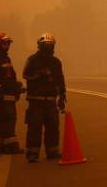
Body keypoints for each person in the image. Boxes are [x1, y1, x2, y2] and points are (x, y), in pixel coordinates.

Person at [23, 33, 66, 163]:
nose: (48, 47)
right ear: (40, 46)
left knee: (53, 127)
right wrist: (38, 74)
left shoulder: (56, 62)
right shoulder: (32, 60)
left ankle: (52, 151)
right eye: (45, 45)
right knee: (34, 128)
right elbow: (25, 75)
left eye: (50, 45)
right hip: (36, 100)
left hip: (51, 101)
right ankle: (32, 153)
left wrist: (62, 97)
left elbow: (60, 80)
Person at [0, 33, 24, 154]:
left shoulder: (6, 58)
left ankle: (0, 145)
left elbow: (9, 77)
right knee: (7, 120)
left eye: (8, 43)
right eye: (5, 43)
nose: (7, 46)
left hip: (7, 96)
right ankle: (10, 146)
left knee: (0, 122)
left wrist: (17, 88)